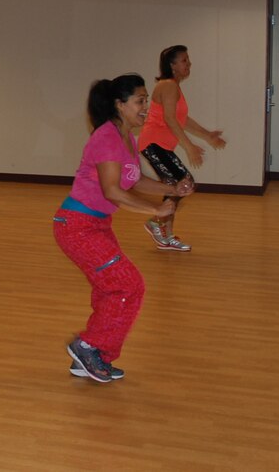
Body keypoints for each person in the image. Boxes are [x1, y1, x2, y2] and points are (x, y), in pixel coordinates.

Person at [54, 73, 194, 383]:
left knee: (112, 287)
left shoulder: (125, 137)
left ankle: (92, 356)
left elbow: (133, 179)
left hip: (97, 224)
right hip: (77, 226)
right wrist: (156, 208)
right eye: (140, 101)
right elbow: (113, 191)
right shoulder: (105, 137)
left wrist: (170, 188)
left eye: (146, 100)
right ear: (119, 104)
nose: (146, 107)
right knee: (128, 285)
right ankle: (89, 345)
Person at [137, 45, 226, 251]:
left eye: (188, 60)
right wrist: (189, 147)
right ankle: (158, 225)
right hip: (153, 144)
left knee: (178, 185)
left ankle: (165, 234)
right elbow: (169, 119)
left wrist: (207, 135)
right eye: (184, 60)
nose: (189, 64)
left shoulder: (173, 87)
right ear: (172, 65)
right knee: (182, 184)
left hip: (159, 145)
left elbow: (182, 119)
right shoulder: (168, 85)